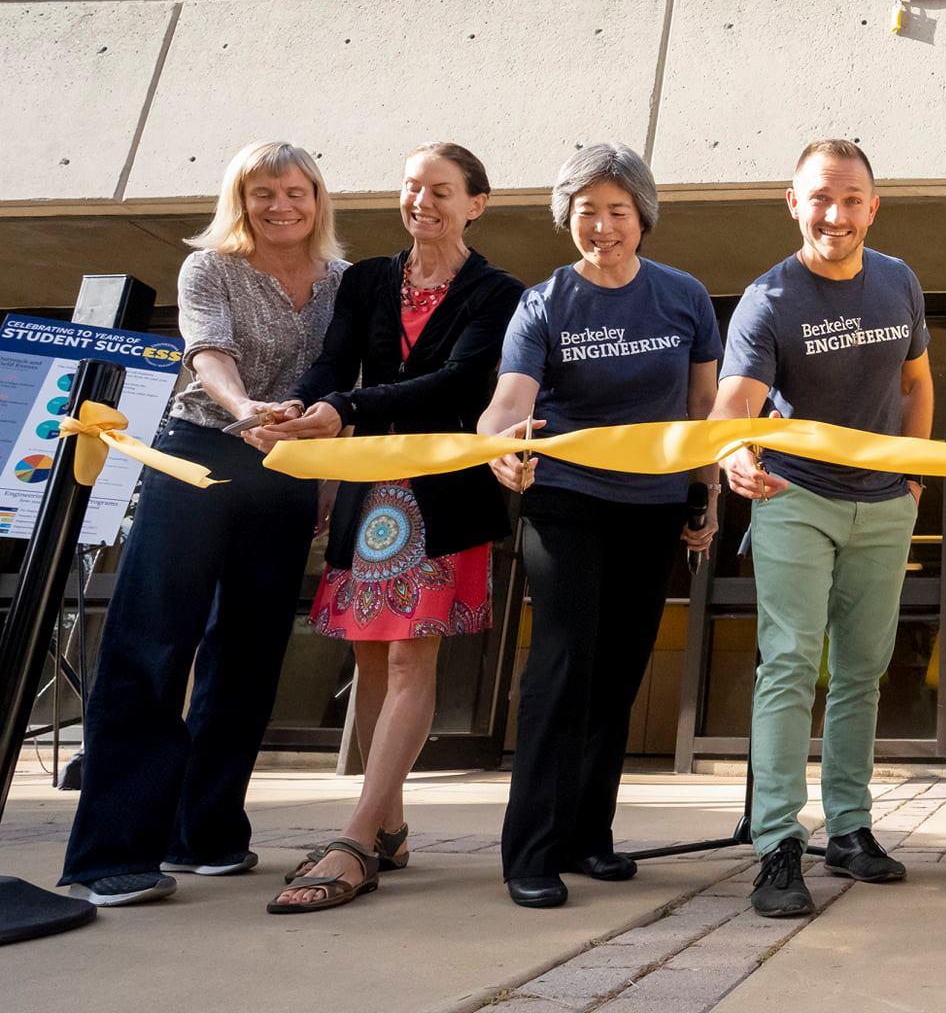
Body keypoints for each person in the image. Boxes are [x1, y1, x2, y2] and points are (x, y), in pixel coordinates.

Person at [58, 141, 346, 907]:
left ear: (318, 200)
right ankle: (109, 854)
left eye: (296, 191)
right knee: (152, 641)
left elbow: (348, 380)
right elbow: (207, 355)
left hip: (288, 470)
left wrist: (323, 477)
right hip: (199, 456)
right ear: (239, 200)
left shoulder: (344, 283)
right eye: (262, 192)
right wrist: (246, 407)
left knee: (248, 656)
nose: (281, 205)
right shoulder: (210, 268)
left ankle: (206, 832)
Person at [252, 142, 522, 913]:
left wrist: (349, 411)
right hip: (370, 496)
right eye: (411, 188)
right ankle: (392, 824)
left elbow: (465, 382)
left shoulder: (499, 292)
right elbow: (334, 363)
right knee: (372, 659)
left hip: (443, 495)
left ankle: (359, 836)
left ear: (477, 202)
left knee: (410, 660)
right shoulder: (366, 279)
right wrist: (299, 407)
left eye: (440, 190)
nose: (422, 202)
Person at [479, 143, 722, 910]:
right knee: (560, 669)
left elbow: (703, 414)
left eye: (618, 211)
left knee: (616, 675)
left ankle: (589, 836)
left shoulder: (683, 297)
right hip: (567, 501)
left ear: (642, 216)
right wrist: (500, 448)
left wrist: (703, 498)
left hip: (651, 508)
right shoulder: (545, 302)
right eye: (588, 211)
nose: (604, 226)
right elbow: (509, 402)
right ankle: (533, 851)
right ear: (568, 218)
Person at [713, 138, 933, 919]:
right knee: (791, 664)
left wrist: (912, 477)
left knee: (863, 671)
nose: (834, 215)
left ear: (873, 207)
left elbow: (916, 382)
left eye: (850, 200)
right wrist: (735, 451)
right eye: (819, 198)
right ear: (793, 202)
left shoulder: (899, 280)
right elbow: (733, 402)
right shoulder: (769, 300)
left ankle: (849, 828)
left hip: (884, 504)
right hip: (794, 495)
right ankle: (777, 843)